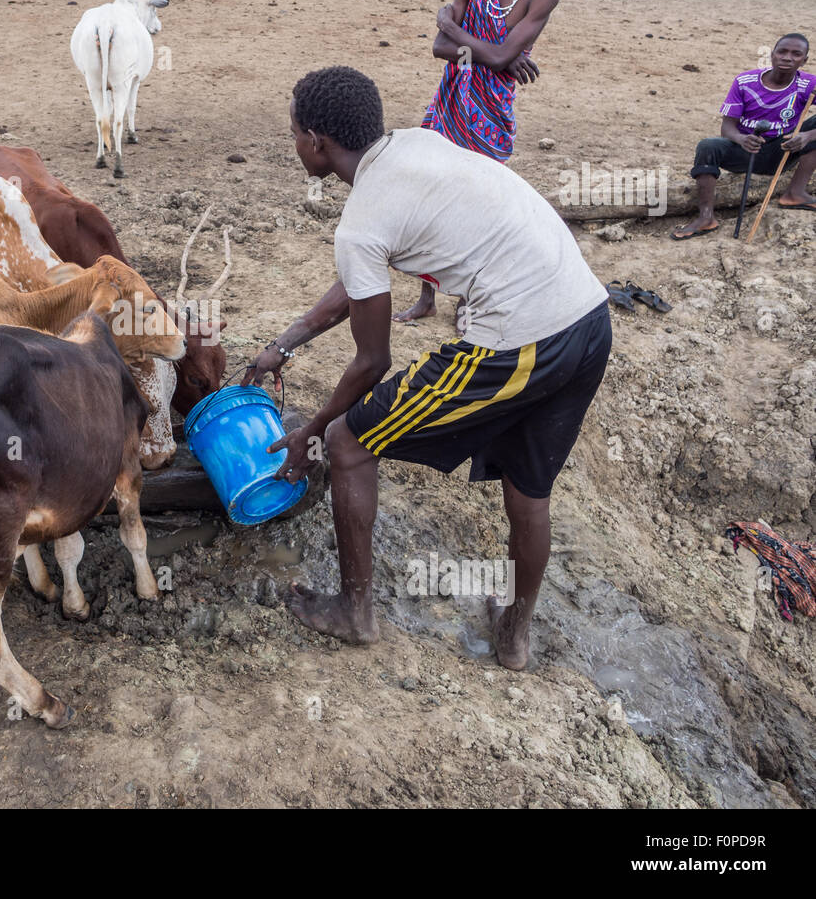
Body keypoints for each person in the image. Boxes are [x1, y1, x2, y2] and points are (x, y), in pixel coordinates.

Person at [244, 66, 610, 668]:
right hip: (587, 318)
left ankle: (354, 612)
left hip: (516, 343)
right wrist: (287, 342)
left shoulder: (359, 223)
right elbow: (363, 277)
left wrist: (313, 431)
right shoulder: (415, 145)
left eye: (292, 132)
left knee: (349, 441)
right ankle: (515, 639)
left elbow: (372, 360)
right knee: (529, 491)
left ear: (316, 141)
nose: (292, 143)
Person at [395, 0, 560, 327]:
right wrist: (496, 56)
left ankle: (469, 298)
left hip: (492, 110)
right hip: (452, 100)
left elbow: (481, 48)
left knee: (478, 206)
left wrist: (453, 27)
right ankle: (427, 296)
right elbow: (440, 50)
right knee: (431, 195)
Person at [672, 33, 816, 239]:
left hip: (784, 151)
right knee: (708, 145)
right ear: (772, 55)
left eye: (796, 54)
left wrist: (807, 136)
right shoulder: (745, 81)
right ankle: (706, 217)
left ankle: (795, 193)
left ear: (805, 60)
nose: (787, 57)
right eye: (782, 52)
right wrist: (741, 139)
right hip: (746, 150)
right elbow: (727, 127)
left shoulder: (809, 84)